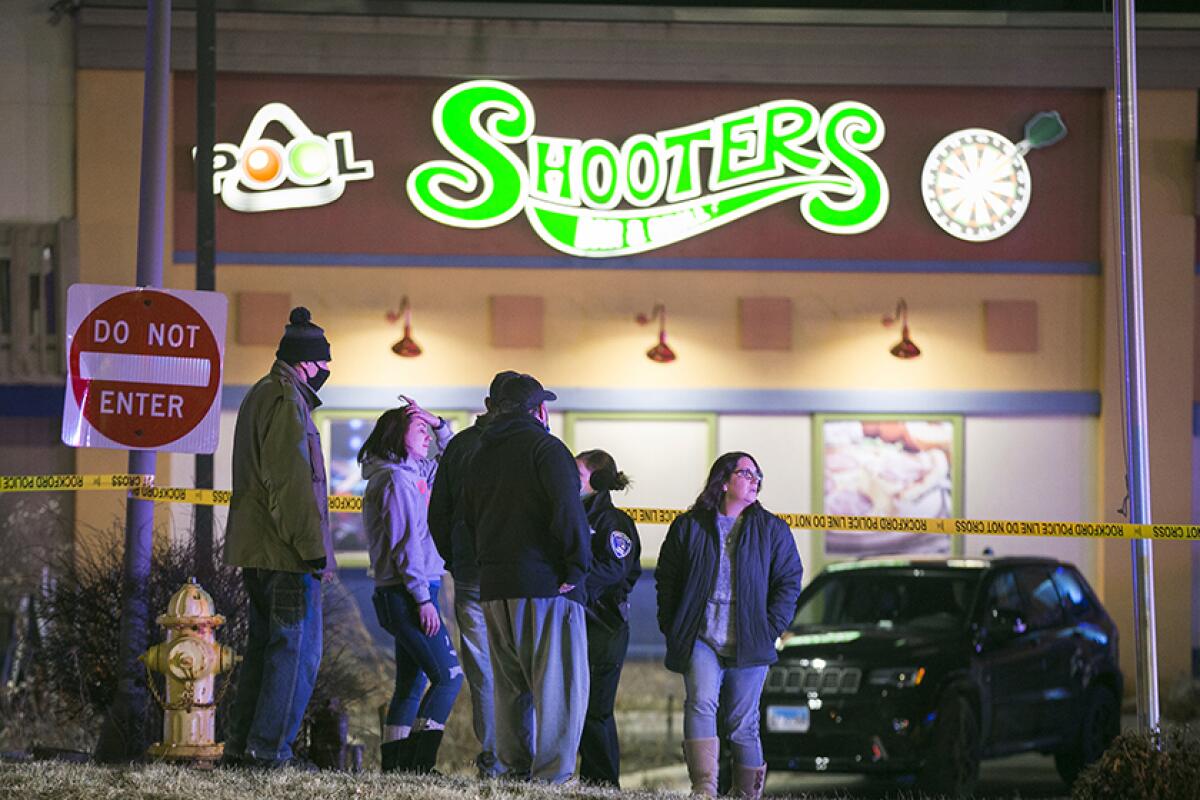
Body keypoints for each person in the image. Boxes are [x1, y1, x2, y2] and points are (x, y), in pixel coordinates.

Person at [462, 374, 592, 783]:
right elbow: (568, 512)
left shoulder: (479, 455)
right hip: (545, 584)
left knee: (509, 686)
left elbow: (464, 520)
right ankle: (552, 776)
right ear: (539, 411)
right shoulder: (546, 449)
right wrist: (576, 568)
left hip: (494, 586)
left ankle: (514, 768)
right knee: (558, 687)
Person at [655, 452, 804, 800]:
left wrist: (771, 627)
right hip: (701, 636)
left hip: (750, 639)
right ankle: (704, 789)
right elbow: (667, 579)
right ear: (724, 481)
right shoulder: (689, 526)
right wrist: (672, 625)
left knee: (742, 724)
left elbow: (789, 580)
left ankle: (746, 794)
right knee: (700, 704)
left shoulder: (772, 529)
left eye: (758, 475)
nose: (755, 480)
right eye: (746, 473)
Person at [223, 306, 335, 768]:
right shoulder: (287, 401)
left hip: (260, 551)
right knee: (296, 655)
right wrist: (314, 552)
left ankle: (242, 747)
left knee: (265, 654)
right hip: (286, 555)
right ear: (309, 362)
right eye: (326, 362)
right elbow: (291, 485)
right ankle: (270, 752)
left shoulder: (261, 392)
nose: (328, 370)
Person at [359, 395, 461, 773]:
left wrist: (439, 424)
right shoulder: (397, 481)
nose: (426, 437)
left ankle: (396, 769)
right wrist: (422, 598)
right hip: (408, 594)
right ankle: (419, 766)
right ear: (395, 434)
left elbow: (450, 462)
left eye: (427, 431)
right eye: (418, 429)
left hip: (410, 592)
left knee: (411, 684)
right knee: (449, 678)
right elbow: (406, 546)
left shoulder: (413, 474)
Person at [427, 370, 518, 777]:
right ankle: (519, 756)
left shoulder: (461, 446)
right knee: (517, 666)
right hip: (513, 578)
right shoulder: (521, 446)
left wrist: (455, 557)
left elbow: (438, 512)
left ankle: (495, 759)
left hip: (468, 574)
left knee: (483, 669)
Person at [575, 449, 642, 788]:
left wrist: (574, 584)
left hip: (605, 624)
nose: (572, 481)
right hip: (581, 623)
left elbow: (616, 570)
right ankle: (590, 781)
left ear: (598, 482)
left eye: (579, 474)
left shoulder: (613, 523)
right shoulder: (573, 514)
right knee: (580, 706)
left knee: (596, 710)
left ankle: (602, 783)